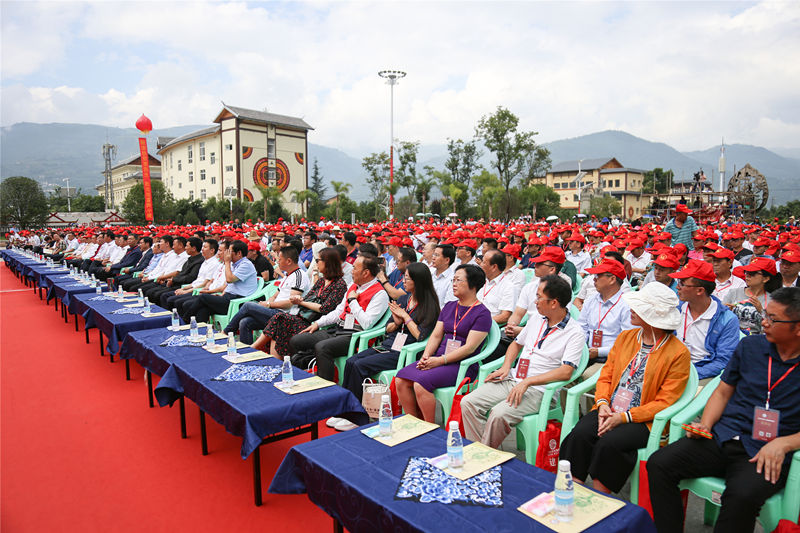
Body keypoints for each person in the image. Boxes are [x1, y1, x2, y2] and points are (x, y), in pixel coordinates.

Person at [647, 287, 800, 533]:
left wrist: (784, 444)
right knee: (660, 463)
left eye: (773, 318)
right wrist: (706, 424)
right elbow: (722, 391)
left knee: (741, 496)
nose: (764, 322)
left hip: (766, 451)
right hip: (725, 435)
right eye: (766, 315)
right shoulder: (751, 346)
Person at [559, 281, 691, 494]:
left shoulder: (678, 353)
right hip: (610, 407)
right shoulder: (626, 338)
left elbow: (665, 401)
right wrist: (602, 404)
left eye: (637, 308)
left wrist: (625, 417)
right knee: (580, 434)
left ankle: (601, 498)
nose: (631, 310)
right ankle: (571, 491)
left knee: (610, 444)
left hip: (644, 420)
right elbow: (606, 375)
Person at [461, 275, 585, 448]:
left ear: (554, 303)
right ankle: (479, 450)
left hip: (539, 390)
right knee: (468, 403)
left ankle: (484, 454)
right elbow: (516, 344)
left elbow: (566, 371)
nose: (535, 301)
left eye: (539, 297)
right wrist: (505, 367)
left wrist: (528, 381)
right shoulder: (537, 319)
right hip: (514, 379)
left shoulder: (574, 332)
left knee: (498, 414)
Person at [330, 262, 440, 431]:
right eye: (404, 277)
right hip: (391, 343)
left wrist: (405, 317)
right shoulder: (403, 299)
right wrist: (396, 323)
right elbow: (388, 328)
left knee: (360, 366)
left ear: (418, 281)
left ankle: (356, 417)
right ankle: (346, 410)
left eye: (408, 278)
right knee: (352, 361)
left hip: (406, 350)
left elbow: (421, 336)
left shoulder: (430, 306)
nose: (403, 280)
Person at [394, 264, 493, 422]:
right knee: (400, 378)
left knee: (420, 383)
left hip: (461, 365)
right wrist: (426, 356)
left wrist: (440, 361)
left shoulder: (482, 314)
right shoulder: (449, 306)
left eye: (458, 280)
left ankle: (428, 426)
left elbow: (470, 348)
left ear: (473, 285)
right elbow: (435, 336)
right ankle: (412, 421)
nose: (453, 283)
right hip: (437, 359)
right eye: (453, 280)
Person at [288, 254, 389, 381]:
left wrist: (353, 301)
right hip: (339, 329)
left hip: (354, 336)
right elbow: (338, 312)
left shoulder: (380, 294)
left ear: (366, 273)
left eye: (355, 269)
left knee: (323, 347)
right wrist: (318, 323)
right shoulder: (353, 286)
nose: (351, 271)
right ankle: (303, 377)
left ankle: (326, 387)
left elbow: (367, 323)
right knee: (297, 340)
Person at [253, 247, 347, 357]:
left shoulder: (339, 285)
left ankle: (255, 348)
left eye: (318, 261)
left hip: (316, 323)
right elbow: (307, 298)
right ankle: (272, 359)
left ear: (328, 263)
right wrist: (301, 301)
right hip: (303, 316)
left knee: (278, 318)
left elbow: (325, 308)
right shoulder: (321, 281)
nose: (316, 264)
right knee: (279, 322)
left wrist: (301, 302)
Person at [223, 245, 310, 344]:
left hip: (285, 316)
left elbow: (290, 303)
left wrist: (269, 305)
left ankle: (226, 332)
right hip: (275, 311)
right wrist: (268, 302)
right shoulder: (287, 275)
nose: (277, 262)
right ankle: (246, 351)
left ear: (289, 261)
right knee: (246, 322)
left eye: (279, 259)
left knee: (248, 305)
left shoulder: (299, 276)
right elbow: (275, 295)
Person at [671, 259, 740, 383]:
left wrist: (688, 375)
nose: (677, 287)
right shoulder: (675, 309)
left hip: (703, 373)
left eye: (682, 283)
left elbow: (723, 361)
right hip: (671, 368)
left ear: (700, 291)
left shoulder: (727, 320)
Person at [577, 259, 632, 378]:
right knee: (566, 371)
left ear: (612, 279)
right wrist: (581, 345)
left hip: (613, 356)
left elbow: (627, 342)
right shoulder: (592, 300)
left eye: (598, 276)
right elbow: (582, 327)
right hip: (587, 352)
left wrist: (599, 351)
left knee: (589, 376)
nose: (594, 279)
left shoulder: (626, 305)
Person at [180, 240, 258, 323]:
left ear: (239, 253)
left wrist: (227, 262)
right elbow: (228, 284)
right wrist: (223, 293)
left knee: (203, 297)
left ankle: (185, 320)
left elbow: (229, 279)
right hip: (227, 297)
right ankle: (200, 332)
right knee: (203, 310)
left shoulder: (246, 265)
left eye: (229, 251)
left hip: (237, 301)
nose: (227, 254)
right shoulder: (234, 264)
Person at [723, 257, 782, 335]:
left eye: (752, 273)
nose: (747, 275)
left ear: (765, 279)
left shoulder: (772, 301)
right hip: (732, 337)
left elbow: (774, 328)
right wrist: (726, 311)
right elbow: (719, 318)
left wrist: (761, 311)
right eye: (746, 272)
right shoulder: (733, 293)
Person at [160, 239, 221, 310]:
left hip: (198, 290)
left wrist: (186, 291)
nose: (202, 249)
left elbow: (204, 283)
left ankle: (178, 319)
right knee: (165, 296)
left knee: (175, 301)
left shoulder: (214, 264)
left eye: (205, 247)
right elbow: (197, 280)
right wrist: (183, 289)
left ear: (212, 250)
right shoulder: (205, 262)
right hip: (193, 287)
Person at [477, 249, 515, 324]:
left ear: (494, 267)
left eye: (484, 262)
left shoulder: (508, 286)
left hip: (488, 326)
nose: (481, 265)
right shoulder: (479, 280)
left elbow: (504, 316)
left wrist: (480, 322)